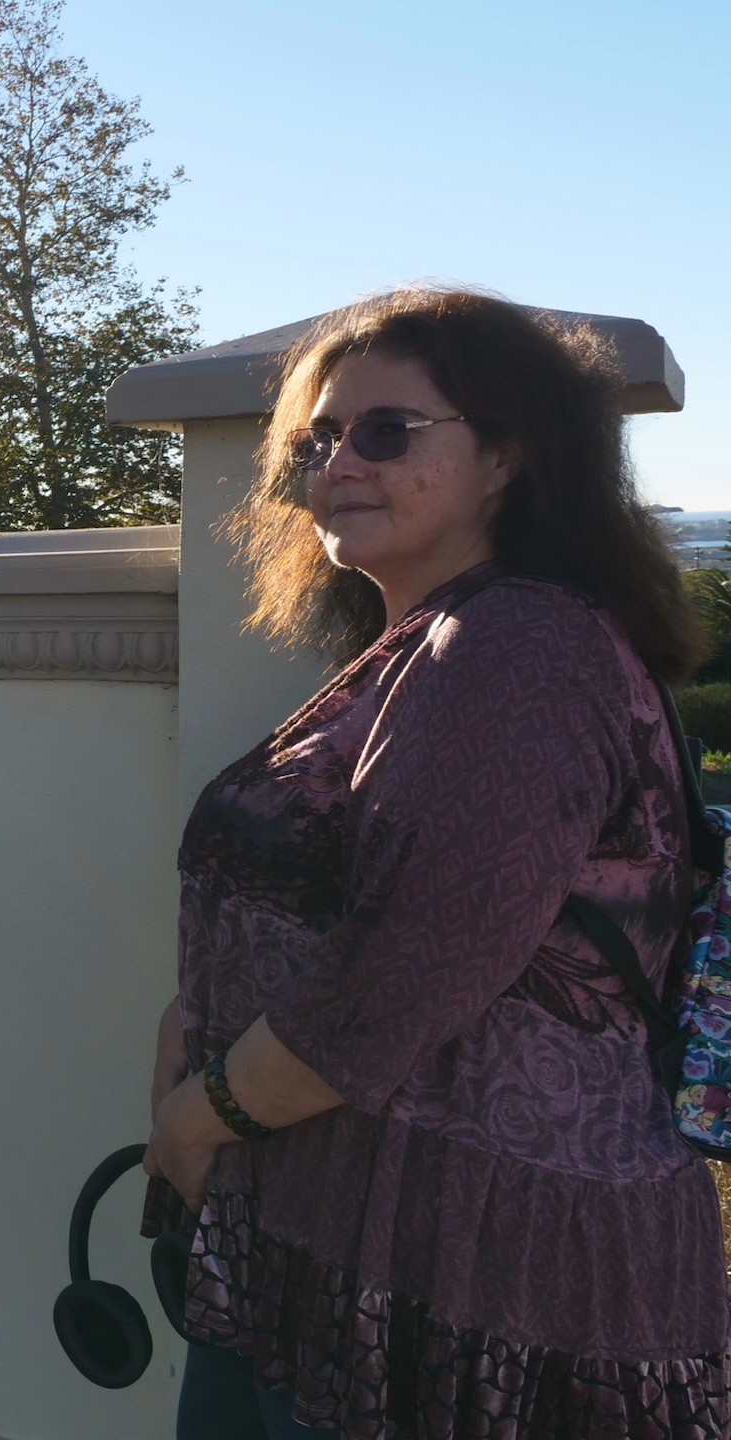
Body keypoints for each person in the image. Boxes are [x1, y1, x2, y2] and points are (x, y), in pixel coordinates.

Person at [142, 287, 728, 1439]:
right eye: (317, 440)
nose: (337, 463)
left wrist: (195, 1120)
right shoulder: (432, 642)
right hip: (359, 1242)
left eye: (386, 431)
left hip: (469, 1280)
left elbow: (404, 971)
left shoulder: (515, 649)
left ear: (506, 458)